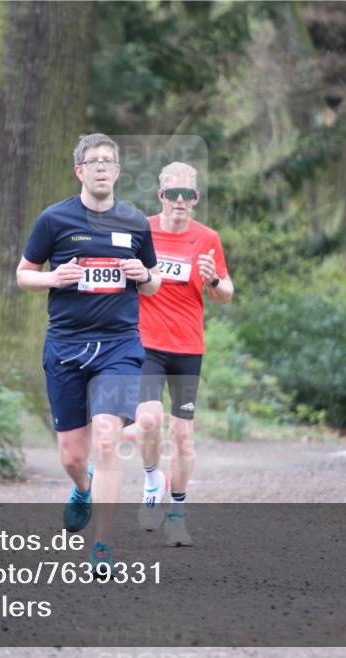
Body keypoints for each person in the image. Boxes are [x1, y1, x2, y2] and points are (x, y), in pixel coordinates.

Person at [15, 133, 161, 571]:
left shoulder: (135, 222)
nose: (101, 167)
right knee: (73, 457)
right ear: (80, 170)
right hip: (66, 346)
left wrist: (143, 274)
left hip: (119, 344)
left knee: (106, 436)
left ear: (117, 171)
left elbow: (153, 282)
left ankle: (102, 544)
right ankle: (82, 488)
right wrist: (53, 279)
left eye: (109, 161)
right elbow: (24, 275)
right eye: (93, 161)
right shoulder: (55, 219)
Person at [129, 161, 234, 547]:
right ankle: (151, 477)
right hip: (146, 342)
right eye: (171, 193)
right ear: (160, 196)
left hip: (188, 347)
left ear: (195, 199)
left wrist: (214, 280)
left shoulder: (208, 239)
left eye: (186, 194)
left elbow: (226, 294)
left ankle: (176, 516)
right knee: (148, 420)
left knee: (184, 436)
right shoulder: (141, 229)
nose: (178, 200)